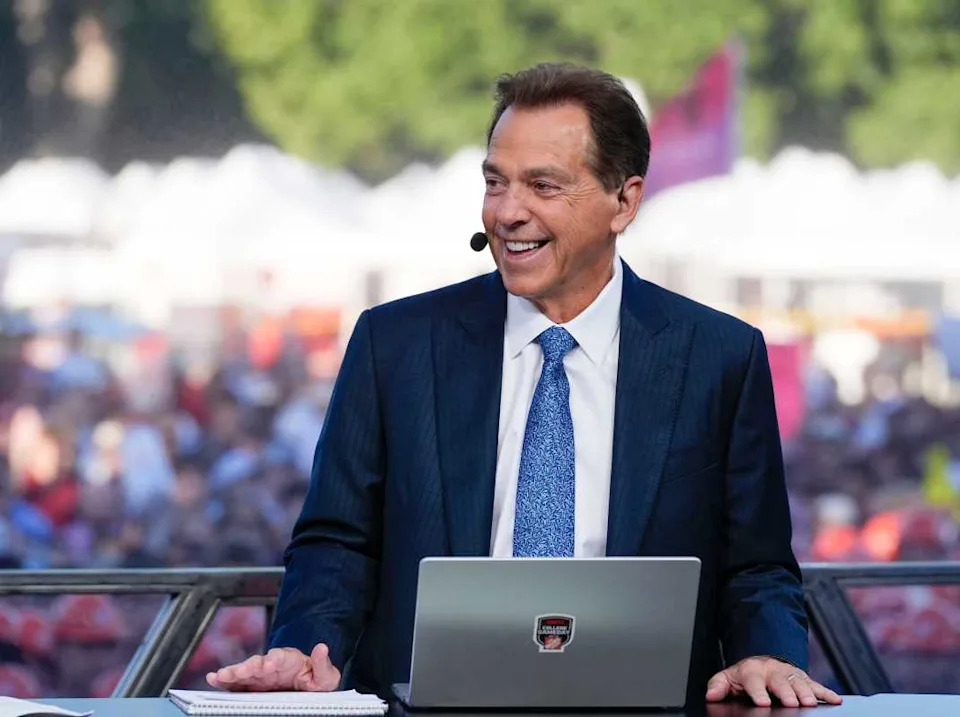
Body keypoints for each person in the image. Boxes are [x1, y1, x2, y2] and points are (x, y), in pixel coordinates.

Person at [208, 63, 842, 709]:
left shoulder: (718, 356)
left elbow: (757, 564)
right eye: (495, 182)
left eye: (543, 185)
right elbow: (337, 541)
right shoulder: (395, 345)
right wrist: (306, 645)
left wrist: (768, 653)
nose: (508, 212)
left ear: (624, 201)